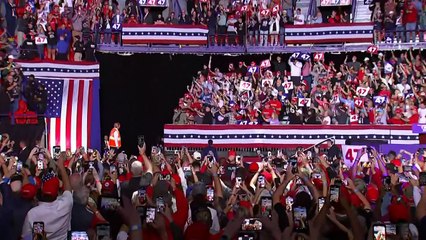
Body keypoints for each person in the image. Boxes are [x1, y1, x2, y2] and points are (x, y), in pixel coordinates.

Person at [21, 153, 73, 240]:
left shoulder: (33, 214)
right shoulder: (66, 205)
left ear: (41, 189)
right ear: (57, 192)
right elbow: (68, 188)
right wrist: (61, 167)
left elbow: (26, 237)